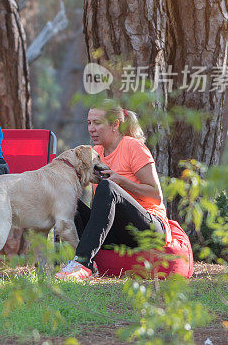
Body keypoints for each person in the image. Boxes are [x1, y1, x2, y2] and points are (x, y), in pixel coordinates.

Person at [55, 99, 171, 280]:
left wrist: (121, 182)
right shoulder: (96, 152)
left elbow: (156, 195)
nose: (91, 128)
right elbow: (99, 207)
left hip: (149, 228)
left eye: (97, 123)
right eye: (89, 123)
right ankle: (76, 261)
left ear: (115, 124)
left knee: (108, 186)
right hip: (116, 231)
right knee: (66, 197)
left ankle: (82, 262)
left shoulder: (133, 146)